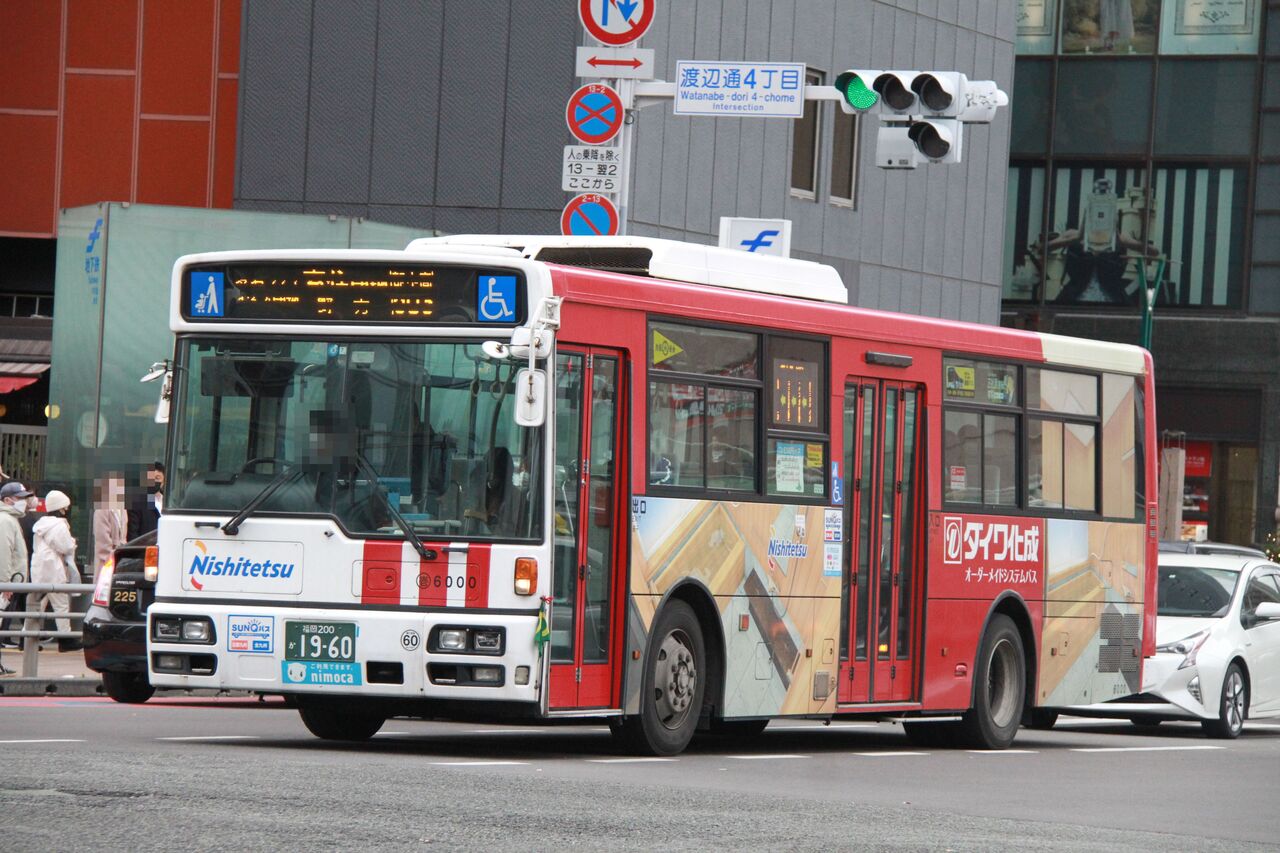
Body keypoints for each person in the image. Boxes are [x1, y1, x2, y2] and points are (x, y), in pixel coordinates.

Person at [24, 490, 80, 653]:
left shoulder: (41, 524)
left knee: (37, 604)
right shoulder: (59, 525)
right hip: (54, 569)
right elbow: (66, 547)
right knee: (61, 604)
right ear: (61, 507)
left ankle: (24, 637)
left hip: (39, 568)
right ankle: (65, 640)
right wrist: (73, 543)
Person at [0, 481, 33, 672]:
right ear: (7, 500)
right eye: (20, 498)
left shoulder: (10, 519)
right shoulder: (5, 520)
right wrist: (5, 583)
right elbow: (4, 553)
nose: (24, 502)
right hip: (6, 584)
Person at [92, 472, 128, 580]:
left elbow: (124, 537)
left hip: (120, 560)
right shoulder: (101, 510)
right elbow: (102, 542)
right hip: (107, 562)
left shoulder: (122, 509)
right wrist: (115, 558)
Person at [126, 461, 164, 540]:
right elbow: (133, 534)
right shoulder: (137, 503)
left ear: (163, 481)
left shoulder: (169, 503)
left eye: (157, 478)